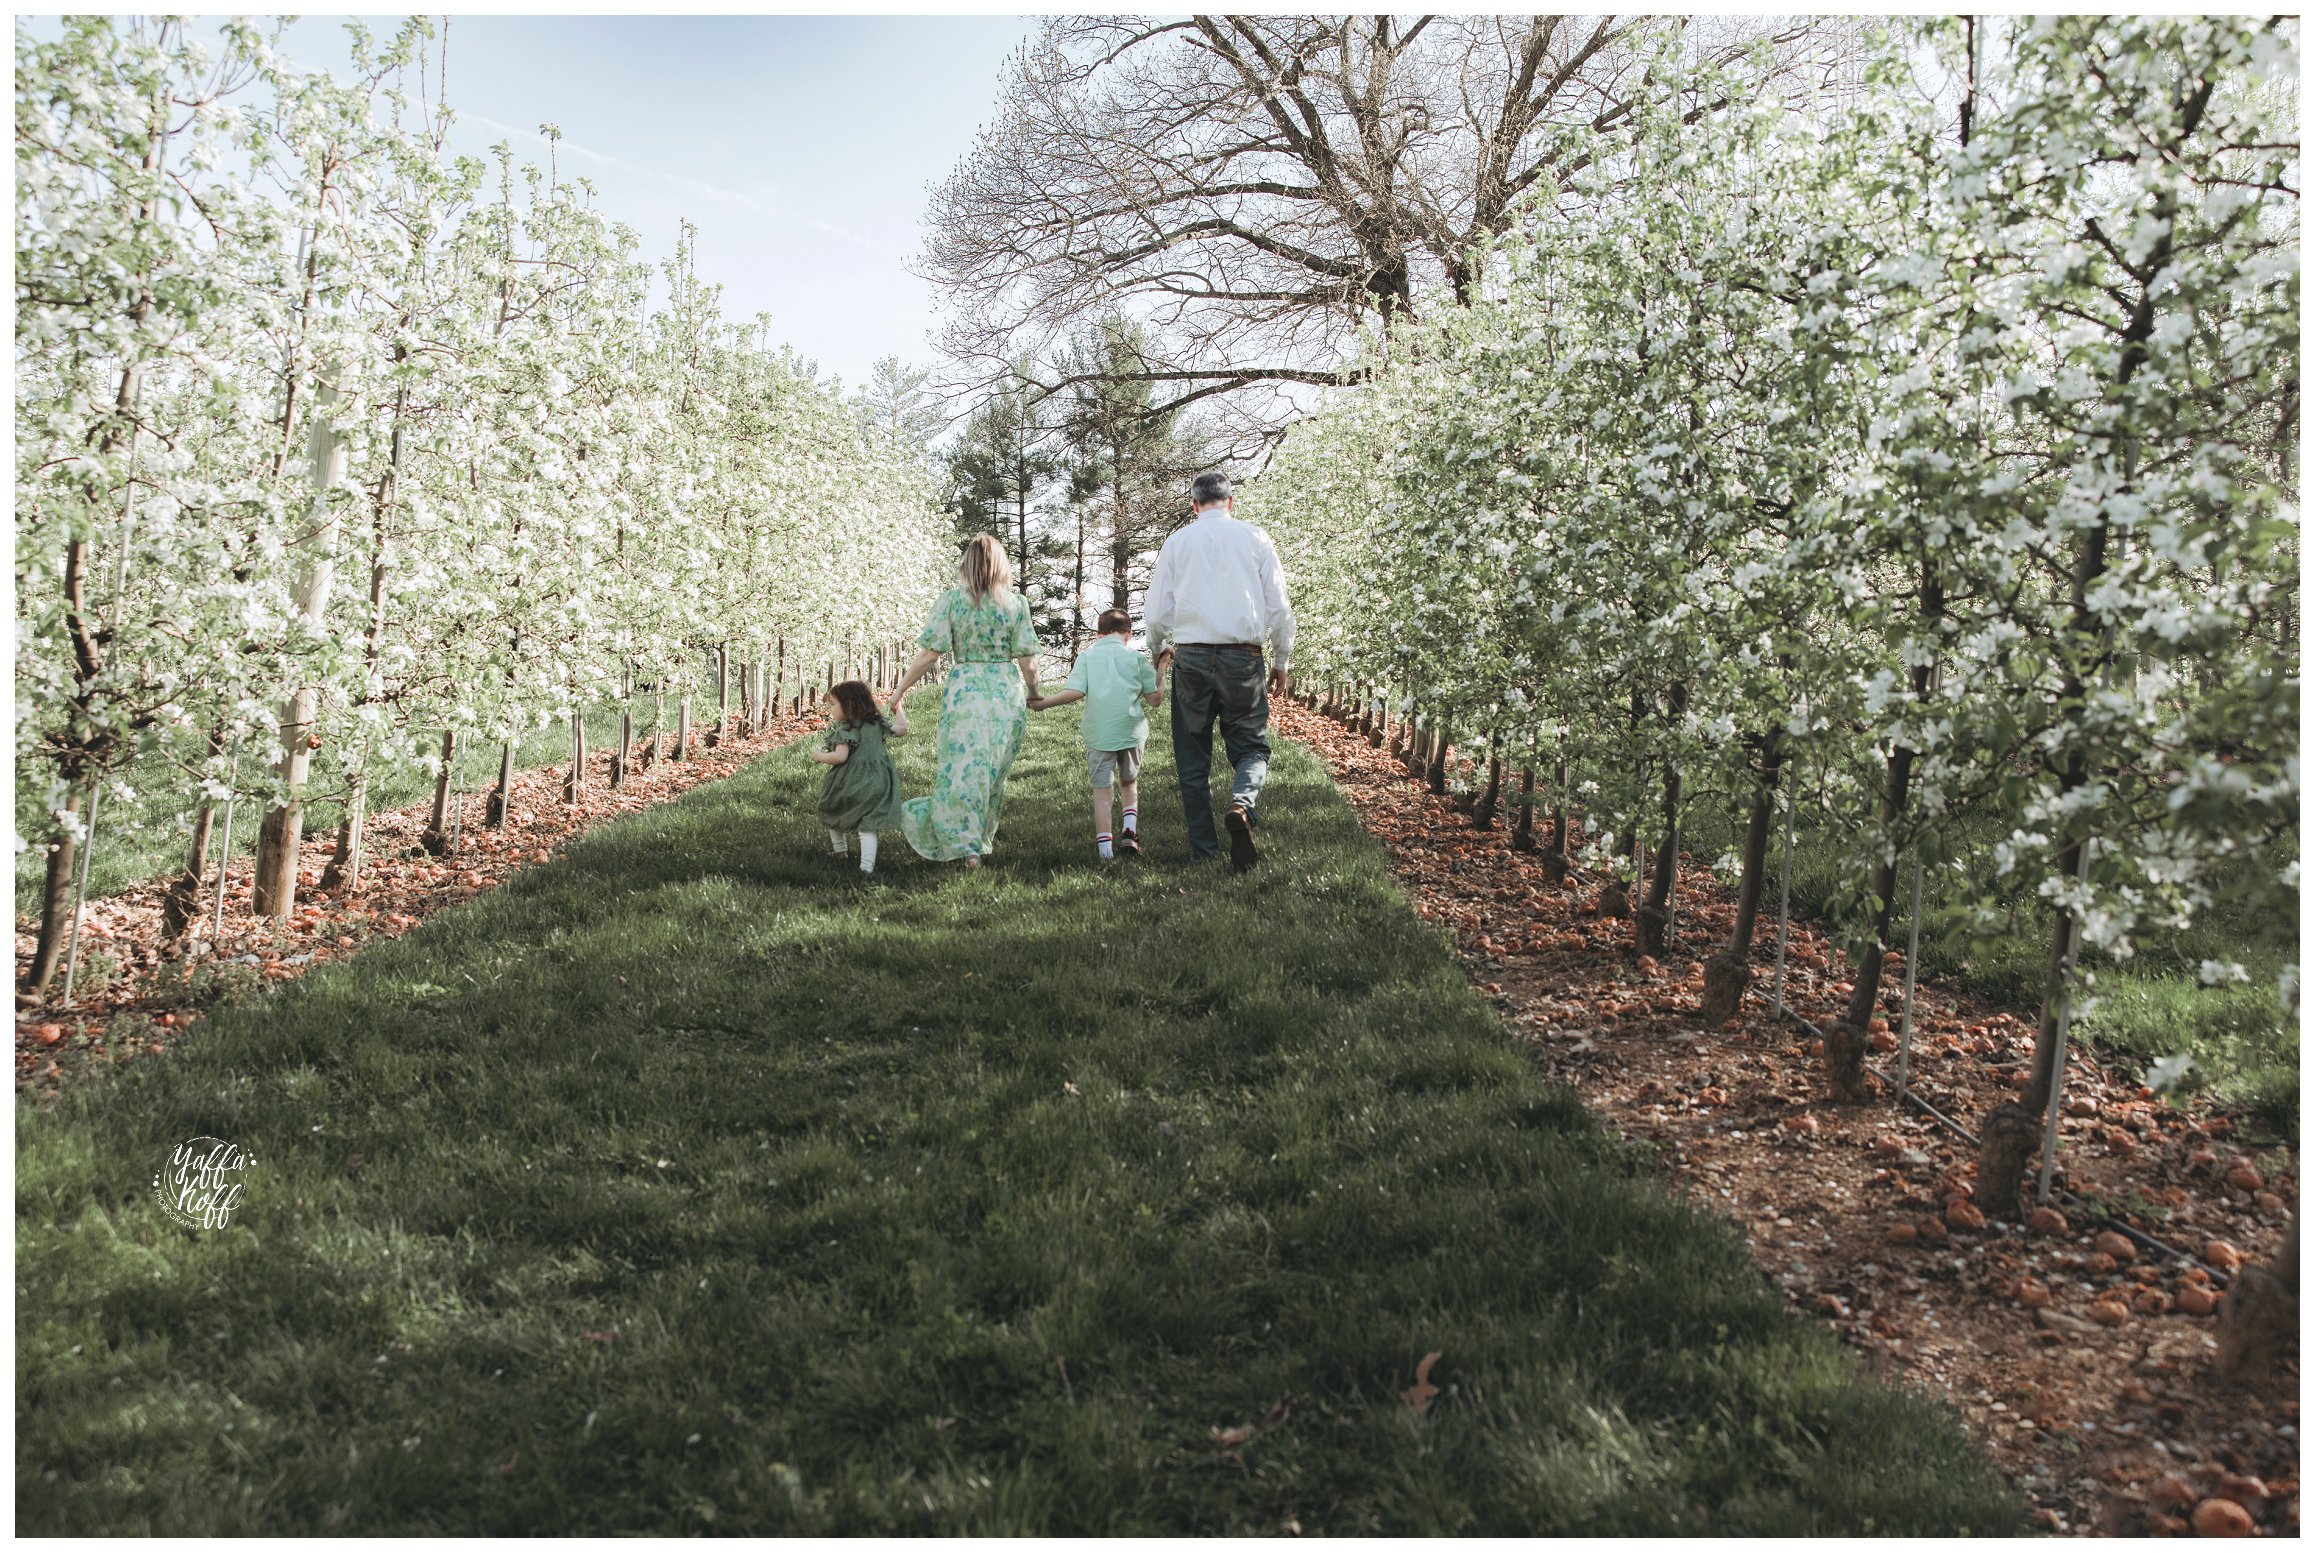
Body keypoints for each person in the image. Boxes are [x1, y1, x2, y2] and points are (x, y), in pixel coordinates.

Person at [1143, 471, 1294, 870]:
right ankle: (1242, 804)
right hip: (1242, 657)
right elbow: (1279, 607)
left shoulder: (1177, 542)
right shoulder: (1255, 538)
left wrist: (1158, 648)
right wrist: (1281, 659)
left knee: (1192, 758)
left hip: (1191, 657)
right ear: (1231, 502)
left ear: (1193, 505)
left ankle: (1203, 851)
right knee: (1251, 746)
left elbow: (1157, 612)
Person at [888, 535, 1044, 869]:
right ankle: (975, 843)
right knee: (991, 773)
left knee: (960, 769)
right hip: (1005, 694)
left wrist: (900, 689)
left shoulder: (951, 602)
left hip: (966, 693)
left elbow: (930, 654)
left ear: (966, 564)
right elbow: (1028, 661)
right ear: (1002, 564)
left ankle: (967, 846)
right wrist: (1034, 692)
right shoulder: (1015, 605)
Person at [1030, 607, 1163, 860]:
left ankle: (1105, 853)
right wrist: (1163, 670)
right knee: (1128, 782)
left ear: (1098, 634)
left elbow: (1075, 692)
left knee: (1102, 791)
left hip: (1099, 734)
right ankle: (1129, 832)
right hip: (1131, 731)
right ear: (1128, 633)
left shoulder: (1087, 657)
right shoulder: (1135, 658)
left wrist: (1044, 703)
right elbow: (1155, 699)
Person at [808, 679, 905, 874]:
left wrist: (820, 756)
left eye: (834, 704)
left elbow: (839, 757)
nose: (831, 709)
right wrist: (899, 709)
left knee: (832, 810)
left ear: (849, 705)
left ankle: (840, 851)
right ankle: (866, 867)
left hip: (851, 782)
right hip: (878, 781)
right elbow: (903, 729)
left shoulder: (846, 731)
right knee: (868, 826)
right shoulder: (877, 723)